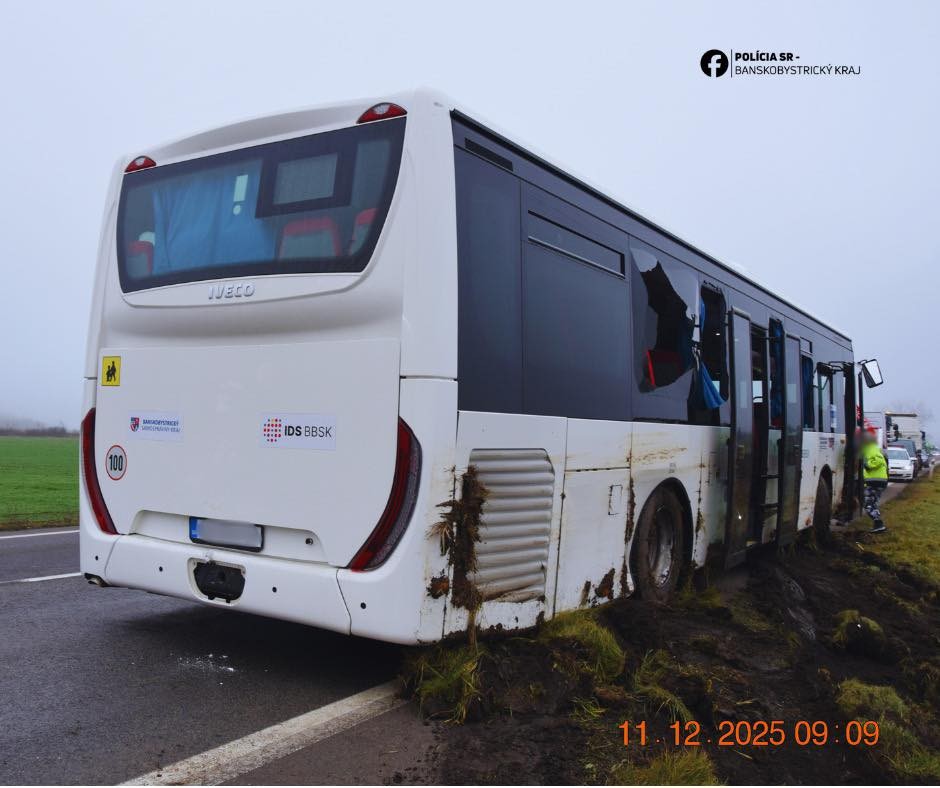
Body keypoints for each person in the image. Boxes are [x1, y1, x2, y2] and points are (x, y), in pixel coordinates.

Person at [860, 429, 888, 533]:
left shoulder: (871, 449)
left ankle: (879, 523)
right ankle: (878, 525)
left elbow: (879, 461)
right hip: (878, 481)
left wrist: (867, 464)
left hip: (875, 481)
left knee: (868, 504)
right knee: (873, 504)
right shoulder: (872, 449)